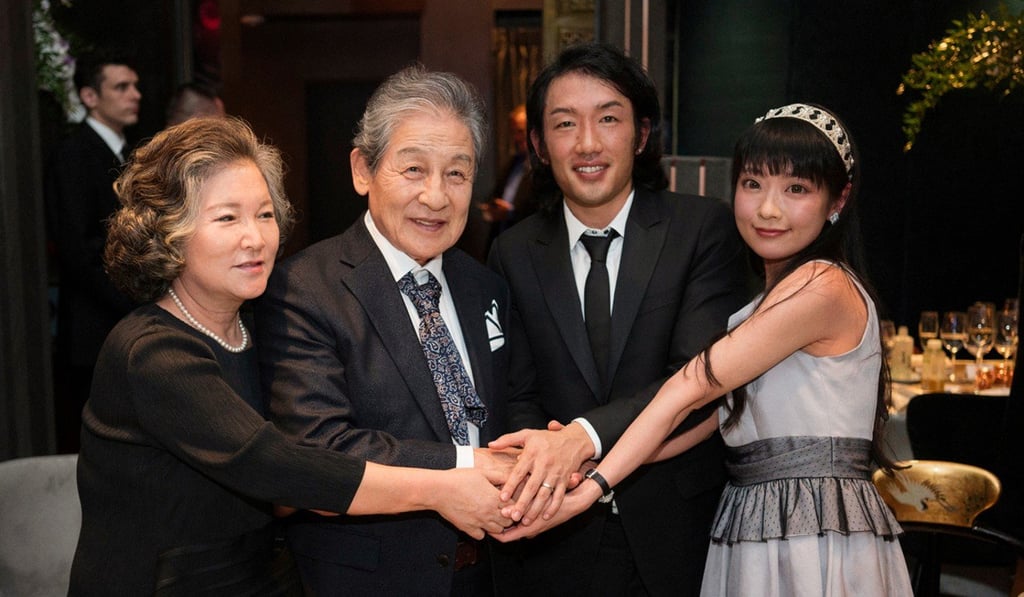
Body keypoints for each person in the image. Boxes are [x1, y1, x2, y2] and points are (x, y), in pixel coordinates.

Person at [69, 116, 512, 596]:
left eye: (264, 215)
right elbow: (278, 467)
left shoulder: (255, 326)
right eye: (227, 218)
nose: (255, 238)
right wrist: (446, 484)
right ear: (168, 233)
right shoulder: (151, 352)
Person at [495, 103, 915, 597]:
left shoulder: (821, 287)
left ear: (837, 200)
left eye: (796, 189)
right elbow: (712, 419)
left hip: (812, 528)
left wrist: (590, 487)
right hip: (754, 521)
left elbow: (690, 388)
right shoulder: (762, 302)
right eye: (753, 184)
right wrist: (592, 467)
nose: (768, 209)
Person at [485, 42, 749, 595]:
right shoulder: (513, 252)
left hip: (678, 528)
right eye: (564, 124)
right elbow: (519, 390)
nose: (588, 143)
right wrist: (550, 466)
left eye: (608, 119)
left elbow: (696, 378)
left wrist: (581, 440)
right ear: (537, 143)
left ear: (642, 135)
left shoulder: (701, 230)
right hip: (556, 532)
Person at [255, 65, 513, 596]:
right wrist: (470, 464)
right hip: (370, 579)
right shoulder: (303, 288)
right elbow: (319, 445)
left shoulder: (485, 285)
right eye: (414, 169)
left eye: (457, 174)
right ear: (363, 170)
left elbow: (514, 403)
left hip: (492, 573)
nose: (437, 197)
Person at [44, 50, 142, 453]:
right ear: (89, 96)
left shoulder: (129, 151)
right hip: (93, 328)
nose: (135, 94)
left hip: (122, 321)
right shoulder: (74, 154)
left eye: (135, 85)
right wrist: (135, 299)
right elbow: (78, 249)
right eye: (121, 87)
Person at [479, 103, 536, 246]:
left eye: (520, 131)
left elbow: (544, 215)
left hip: (528, 245)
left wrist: (511, 214)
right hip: (502, 242)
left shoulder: (546, 168)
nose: (516, 138)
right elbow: (497, 194)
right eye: (514, 132)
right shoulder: (513, 163)